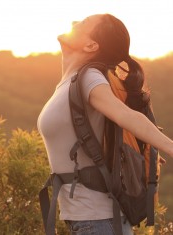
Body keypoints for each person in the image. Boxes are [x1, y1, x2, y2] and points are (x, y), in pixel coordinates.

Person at [37, 13, 173, 234]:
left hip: (99, 221)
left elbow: (127, 116)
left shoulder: (89, 77)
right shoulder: (69, 82)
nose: (73, 22)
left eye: (83, 23)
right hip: (89, 221)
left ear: (91, 45)